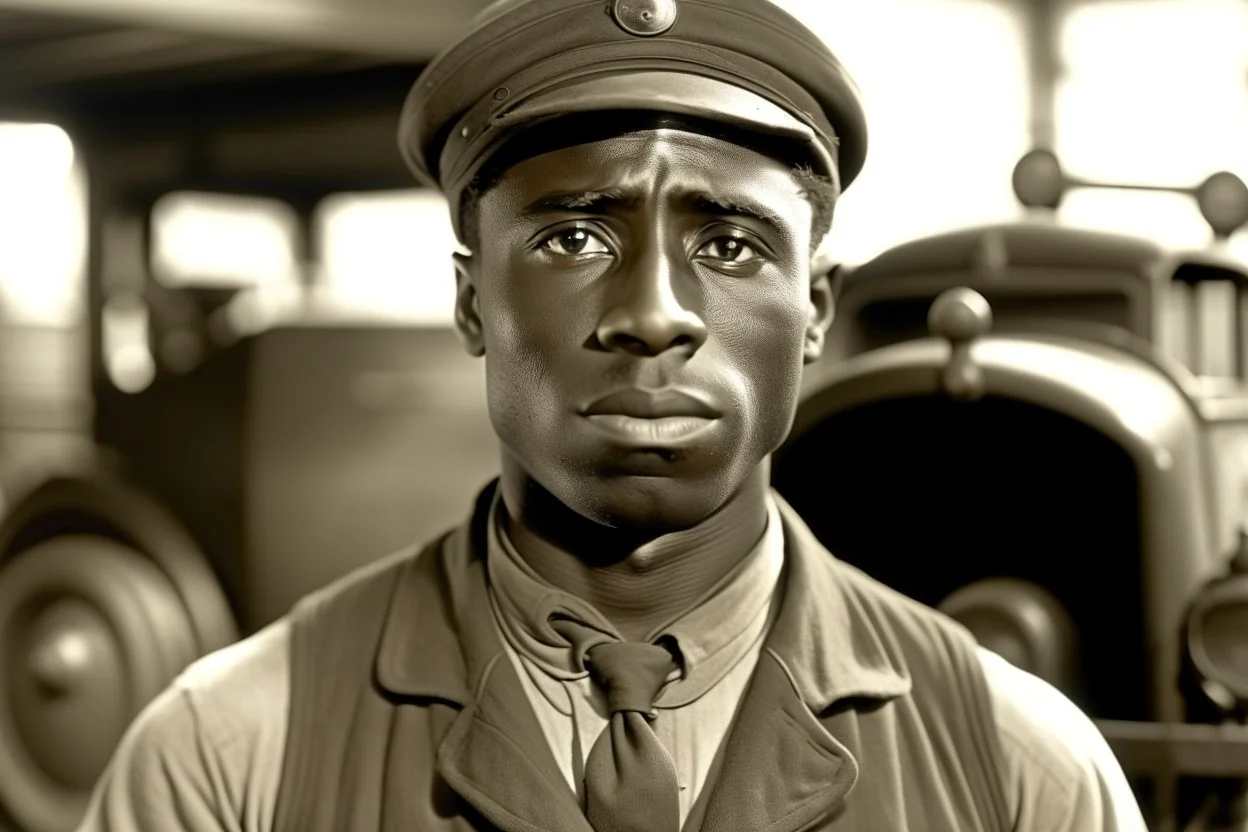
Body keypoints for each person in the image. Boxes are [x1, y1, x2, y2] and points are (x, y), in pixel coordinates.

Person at [77, 0, 1147, 829]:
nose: (653, 315)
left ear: (814, 310)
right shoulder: (228, 753)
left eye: (730, 244)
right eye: (575, 238)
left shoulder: (1016, 767)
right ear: (470, 301)